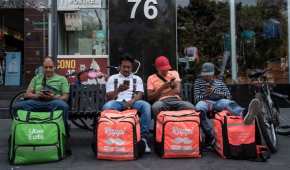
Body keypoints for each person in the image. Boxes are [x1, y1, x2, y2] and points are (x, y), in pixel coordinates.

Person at [194, 62, 261, 146]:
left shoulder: (219, 82)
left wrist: (214, 92)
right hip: (205, 101)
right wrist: (206, 94)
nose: (206, 77)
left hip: (218, 101)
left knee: (228, 103)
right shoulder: (198, 82)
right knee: (198, 107)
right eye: (205, 75)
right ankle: (210, 134)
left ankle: (244, 113)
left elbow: (228, 95)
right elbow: (196, 98)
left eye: (208, 75)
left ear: (213, 73)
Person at [102, 54, 152, 153]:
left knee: (146, 106)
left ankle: (143, 139)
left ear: (132, 67)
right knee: (107, 106)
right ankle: (111, 136)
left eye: (128, 67)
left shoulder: (137, 79)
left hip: (132, 102)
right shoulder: (112, 78)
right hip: (117, 102)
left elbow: (140, 94)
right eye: (124, 67)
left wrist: (131, 102)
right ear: (120, 67)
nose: (126, 69)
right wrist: (118, 90)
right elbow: (108, 97)